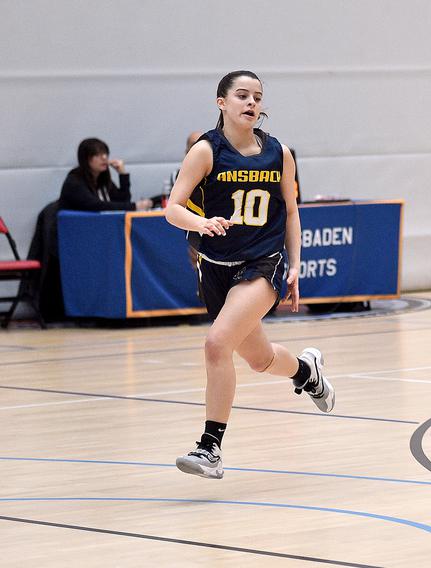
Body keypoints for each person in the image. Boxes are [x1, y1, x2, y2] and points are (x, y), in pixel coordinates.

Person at [164, 70, 335, 479]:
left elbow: (291, 212)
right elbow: (173, 207)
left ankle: (210, 448)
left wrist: (294, 265)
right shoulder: (206, 151)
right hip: (216, 267)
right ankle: (306, 372)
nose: (251, 103)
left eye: (257, 96)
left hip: (261, 263)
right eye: (242, 95)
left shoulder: (279, 153)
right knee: (259, 359)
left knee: (216, 344)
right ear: (221, 102)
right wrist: (199, 224)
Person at [59, 138, 153, 212]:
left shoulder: (102, 179)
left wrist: (122, 174)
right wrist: (135, 206)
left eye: (105, 153)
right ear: (85, 159)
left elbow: (123, 202)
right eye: (97, 154)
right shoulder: (74, 181)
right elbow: (96, 206)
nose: (104, 157)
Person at [162, 131, 205, 198]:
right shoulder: (177, 174)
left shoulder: (218, 172)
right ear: (186, 152)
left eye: (201, 145)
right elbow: (175, 200)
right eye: (194, 145)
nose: (198, 149)